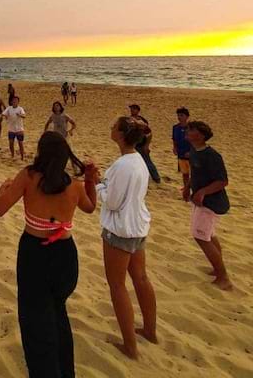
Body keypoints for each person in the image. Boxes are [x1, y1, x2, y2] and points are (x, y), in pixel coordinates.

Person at [0, 132, 97, 378]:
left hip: (35, 253)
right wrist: (91, 181)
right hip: (65, 256)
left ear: (41, 152)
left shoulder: (29, 176)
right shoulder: (73, 185)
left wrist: (1, 190)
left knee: (35, 321)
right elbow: (91, 207)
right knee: (57, 313)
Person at [95, 117, 158, 360]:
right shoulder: (139, 160)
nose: (110, 129)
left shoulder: (123, 164)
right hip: (138, 226)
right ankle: (150, 331)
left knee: (117, 285)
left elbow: (111, 201)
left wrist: (98, 183)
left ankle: (130, 346)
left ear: (121, 135)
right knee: (141, 277)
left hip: (120, 230)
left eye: (113, 127)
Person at [183, 121, 232, 291]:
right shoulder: (194, 152)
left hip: (212, 202)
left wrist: (203, 192)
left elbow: (223, 181)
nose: (187, 131)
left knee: (201, 236)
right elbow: (195, 173)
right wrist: (188, 187)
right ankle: (217, 268)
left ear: (201, 136)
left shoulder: (212, 156)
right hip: (200, 200)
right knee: (208, 234)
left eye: (192, 130)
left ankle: (223, 277)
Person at [129, 105, 161, 183]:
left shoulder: (141, 121)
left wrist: (146, 146)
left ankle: (156, 178)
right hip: (133, 144)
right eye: (131, 109)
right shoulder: (130, 119)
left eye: (133, 109)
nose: (132, 110)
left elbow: (149, 134)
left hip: (141, 145)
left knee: (147, 161)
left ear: (138, 110)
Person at [172, 107, 191, 189]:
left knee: (194, 173)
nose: (179, 117)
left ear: (187, 117)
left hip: (191, 155)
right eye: (178, 115)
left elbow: (196, 141)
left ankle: (193, 188)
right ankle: (186, 187)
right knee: (184, 173)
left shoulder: (191, 128)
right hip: (181, 153)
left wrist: (191, 152)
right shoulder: (175, 127)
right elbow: (174, 139)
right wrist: (175, 147)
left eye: (181, 115)